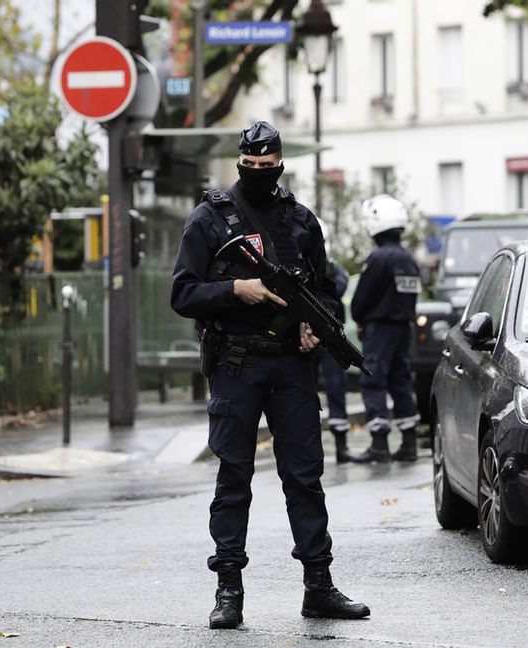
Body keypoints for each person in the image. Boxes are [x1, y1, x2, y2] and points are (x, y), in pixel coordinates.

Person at [170, 121, 370, 630]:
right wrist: (237, 290)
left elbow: (326, 290)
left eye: (268, 166)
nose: (259, 173)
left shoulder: (300, 221)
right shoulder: (210, 221)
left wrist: (315, 327)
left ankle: (319, 587)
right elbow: (183, 293)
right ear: (241, 163)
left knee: (305, 477)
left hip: (292, 366)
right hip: (237, 364)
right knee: (234, 477)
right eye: (251, 166)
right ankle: (228, 590)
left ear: (280, 163)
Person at [350, 195, 422, 464]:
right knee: (401, 382)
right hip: (403, 329)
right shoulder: (408, 259)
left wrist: (359, 316)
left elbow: (362, 299)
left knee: (373, 382)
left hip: (379, 331)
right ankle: (409, 443)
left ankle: (379, 445)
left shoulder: (379, 259)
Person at [314, 218, 353, 464]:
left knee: (336, 388)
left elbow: (339, 286)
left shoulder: (332, 271)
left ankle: (341, 445)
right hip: (305, 340)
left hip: (330, 339)